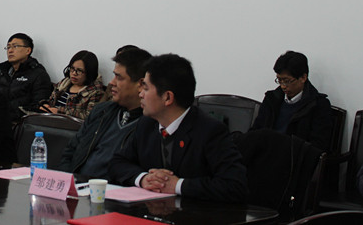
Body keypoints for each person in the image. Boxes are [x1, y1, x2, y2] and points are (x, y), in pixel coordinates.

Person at [110, 54, 248, 203]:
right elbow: (118, 162)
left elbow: (234, 186)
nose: (140, 94)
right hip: (150, 210)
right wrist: (144, 178)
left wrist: (178, 185)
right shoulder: (147, 124)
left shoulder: (210, 131)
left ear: (168, 98)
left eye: (146, 88)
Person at [58, 48, 151, 179]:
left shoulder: (151, 124)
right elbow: (70, 152)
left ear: (140, 84)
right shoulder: (101, 111)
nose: (111, 83)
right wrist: (66, 181)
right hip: (78, 183)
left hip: (111, 189)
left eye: (119, 77)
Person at [250, 50, 333, 151]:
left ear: (303, 78)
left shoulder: (318, 105)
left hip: (293, 156)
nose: (283, 86)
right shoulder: (271, 99)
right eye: (279, 80)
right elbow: (256, 130)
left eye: (287, 81)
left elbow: (317, 146)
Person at [0, 33, 51, 122]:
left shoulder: (38, 74)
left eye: (15, 46)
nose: (10, 50)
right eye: (8, 47)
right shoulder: (0, 71)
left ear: (28, 50)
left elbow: (38, 107)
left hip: (20, 123)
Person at [40, 50, 105, 120]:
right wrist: (45, 105)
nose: (74, 73)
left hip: (71, 126)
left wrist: (60, 111)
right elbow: (51, 101)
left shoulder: (95, 93)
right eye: (72, 68)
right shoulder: (64, 83)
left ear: (89, 73)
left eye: (79, 71)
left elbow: (89, 117)